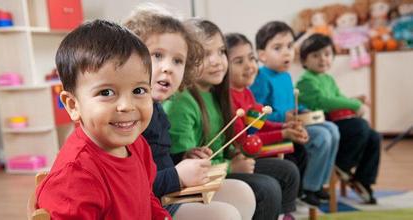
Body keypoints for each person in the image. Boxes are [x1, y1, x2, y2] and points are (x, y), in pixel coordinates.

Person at [124, 4, 255, 220]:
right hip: (151, 206)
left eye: (177, 60)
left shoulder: (157, 110)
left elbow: (159, 160)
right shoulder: (129, 116)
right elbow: (133, 184)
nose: (168, 67)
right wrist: (177, 175)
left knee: (243, 193)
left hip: (168, 194)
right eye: (157, 55)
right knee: (226, 215)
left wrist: (182, 157)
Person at [164, 18, 299, 220]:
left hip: (222, 164)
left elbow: (228, 142)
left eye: (220, 52)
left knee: (287, 170)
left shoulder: (217, 93)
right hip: (201, 178)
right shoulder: (181, 103)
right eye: (205, 54)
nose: (217, 60)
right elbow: (187, 166)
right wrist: (231, 167)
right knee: (266, 188)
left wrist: (238, 154)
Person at [35, 20, 170, 219]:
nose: (127, 106)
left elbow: (147, 197)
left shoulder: (137, 144)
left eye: (139, 90)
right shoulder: (76, 178)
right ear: (73, 105)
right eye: (106, 92)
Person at [251, 21, 340, 206]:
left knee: (333, 129)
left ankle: (317, 185)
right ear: (262, 55)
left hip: (293, 123)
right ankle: (308, 188)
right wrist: (284, 117)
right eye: (278, 48)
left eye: (290, 46)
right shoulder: (261, 77)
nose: (287, 52)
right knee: (322, 136)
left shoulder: (286, 75)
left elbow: (291, 104)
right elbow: (256, 116)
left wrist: (302, 110)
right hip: (277, 129)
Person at [226, 32, 308, 219]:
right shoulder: (229, 98)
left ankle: (284, 212)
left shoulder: (246, 92)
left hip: (249, 150)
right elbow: (244, 140)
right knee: (288, 170)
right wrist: (284, 133)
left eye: (251, 58)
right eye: (239, 61)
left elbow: (260, 123)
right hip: (241, 155)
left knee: (292, 165)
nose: (249, 66)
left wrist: (284, 128)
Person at [296, 33, 381, 204]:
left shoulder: (328, 78)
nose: (322, 59)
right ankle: (342, 164)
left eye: (327, 54)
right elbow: (323, 101)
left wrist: (355, 100)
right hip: (320, 123)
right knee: (360, 126)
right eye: (315, 55)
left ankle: (363, 179)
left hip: (333, 122)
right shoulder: (305, 81)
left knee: (374, 136)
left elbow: (339, 99)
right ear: (304, 61)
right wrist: (354, 105)